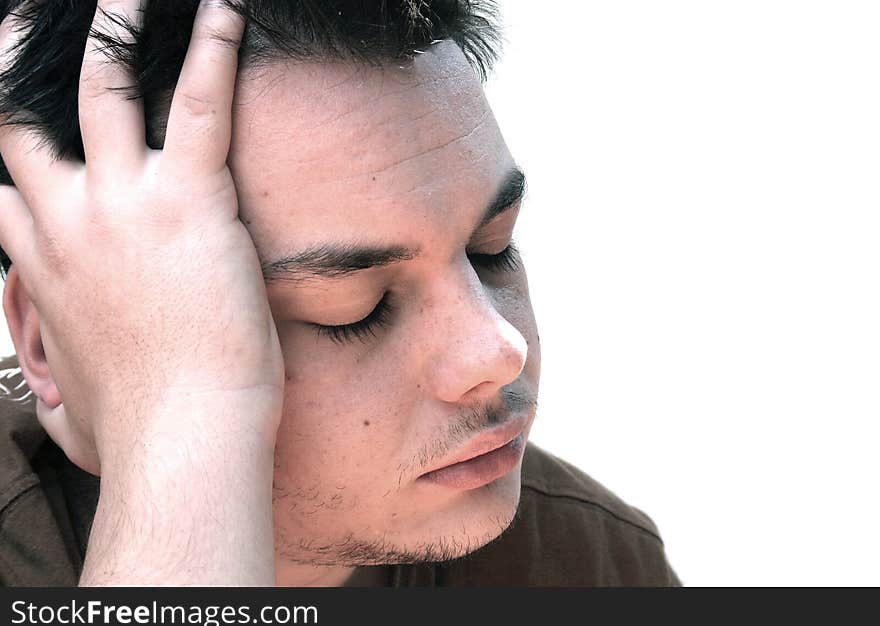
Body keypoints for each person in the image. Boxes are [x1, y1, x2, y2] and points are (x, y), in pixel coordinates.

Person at [0, 0, 680, 586]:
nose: (495, 349)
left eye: (491, 250)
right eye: (356, 309)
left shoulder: (590, 564)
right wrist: (181, 424)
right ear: (45, 340)